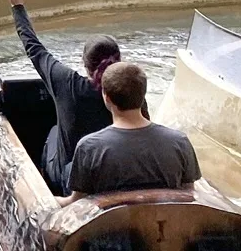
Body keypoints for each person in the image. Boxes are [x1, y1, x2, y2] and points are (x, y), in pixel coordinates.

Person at [5, 0, 119, 195]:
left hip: (69, 182)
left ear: (85, 63)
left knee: (54, 131)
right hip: (114, 174)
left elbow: (34, 48)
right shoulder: (129, 86)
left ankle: (45, 185)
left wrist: (17, 7)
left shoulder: (67, 83)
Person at [67, 62, 201, 197]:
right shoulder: (180, 141)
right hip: (168, 211)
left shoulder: (89, 147)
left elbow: (78, 203)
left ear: (107, 98)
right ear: (143, 94)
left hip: (112, 212)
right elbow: (189, 194)